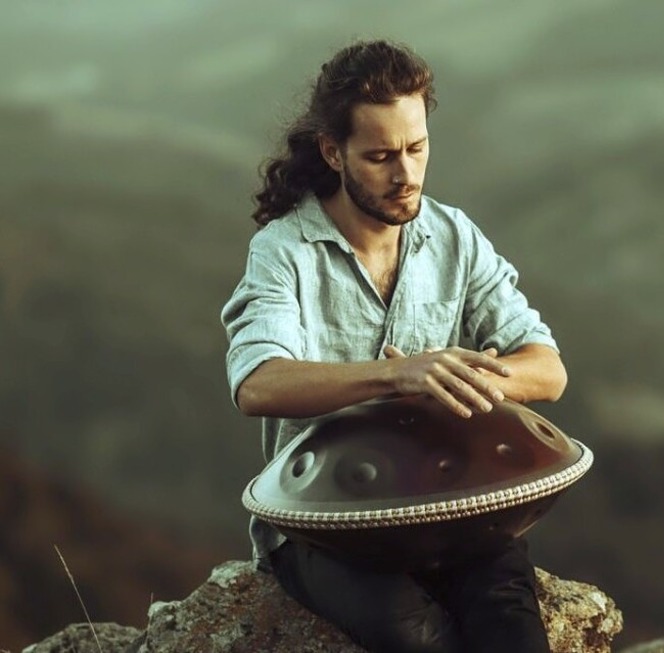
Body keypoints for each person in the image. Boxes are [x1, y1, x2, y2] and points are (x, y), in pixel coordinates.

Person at [220, 39, 566, 653]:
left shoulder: (455, 235)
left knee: (510, 624)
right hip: (325, 526)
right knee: (419, 638)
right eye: (380, 156)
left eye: (417, 148)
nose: (406, 175)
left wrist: (455, 377)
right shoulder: (283, 251)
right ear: (333, 152)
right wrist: (397, 376)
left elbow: (547, 370)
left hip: (445, 503)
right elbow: (258, 384)